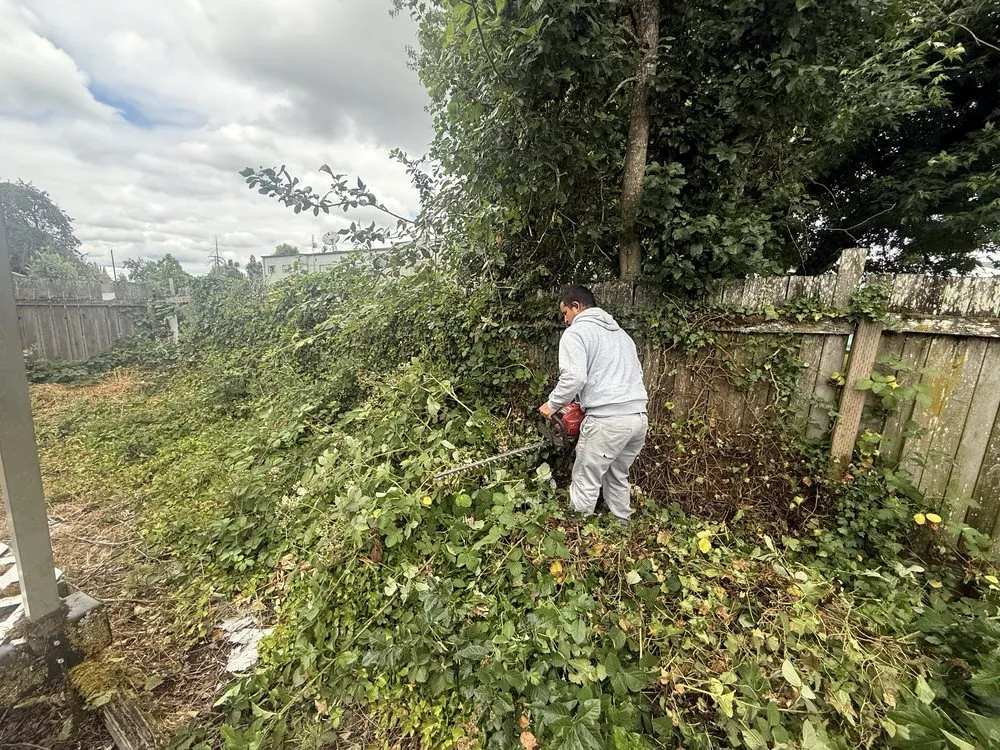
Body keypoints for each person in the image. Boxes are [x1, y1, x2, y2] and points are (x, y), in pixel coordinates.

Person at [539, 285, 648, 525]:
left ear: (576, 306)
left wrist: (552, 404)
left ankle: (578, 536)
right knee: (617, 475)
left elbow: (575, 378)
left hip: (607, 421)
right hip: (638, 419)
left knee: (585, 480)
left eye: (565, 313)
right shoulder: (622, 335)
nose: (565, 320)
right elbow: (634, 374)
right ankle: (623, 527)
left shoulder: (577, 333)